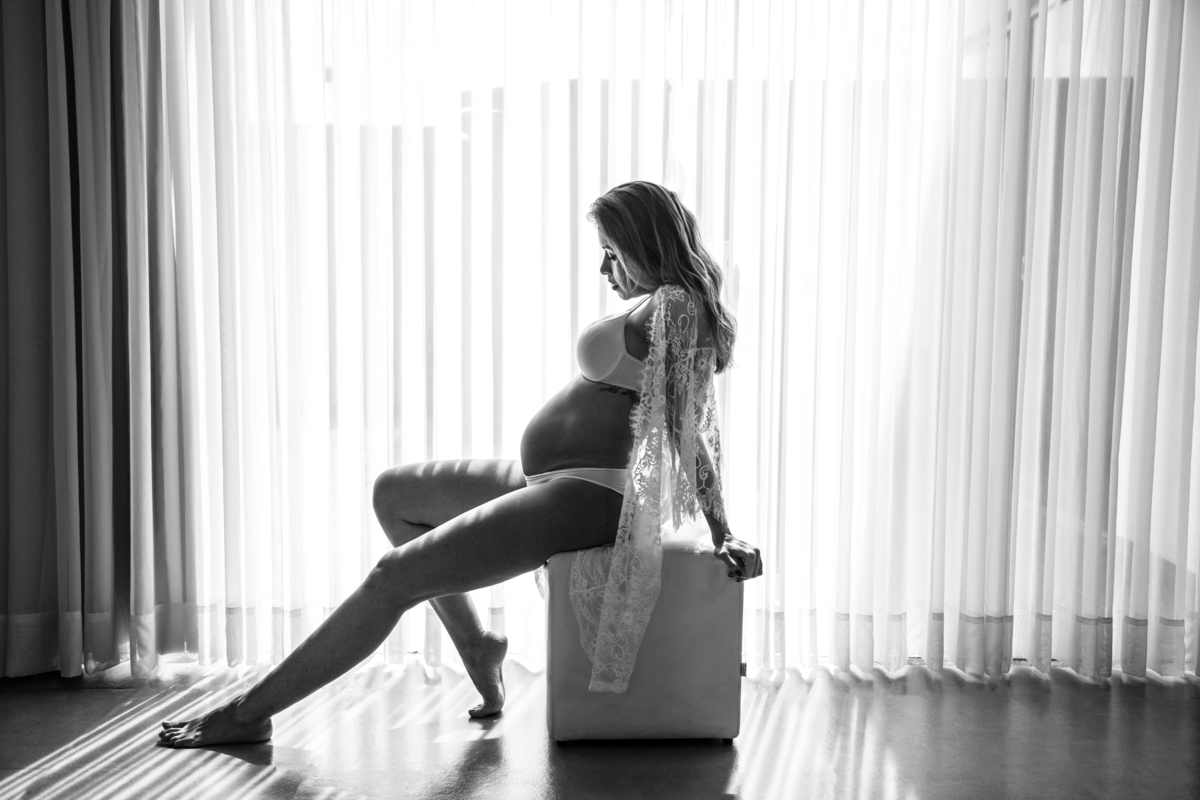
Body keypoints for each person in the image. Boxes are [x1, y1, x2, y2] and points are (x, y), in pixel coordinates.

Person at [158, 180, 762, 748]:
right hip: (558, 479)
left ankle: (246, 717)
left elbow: (688, 429)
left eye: (612, 252)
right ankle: (478, 646)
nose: (604, 269)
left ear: (643, 243)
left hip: (590, 492)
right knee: (395, 495)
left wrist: (722, 529)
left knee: (394, 577)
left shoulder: (675, 304)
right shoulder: (662, 303)